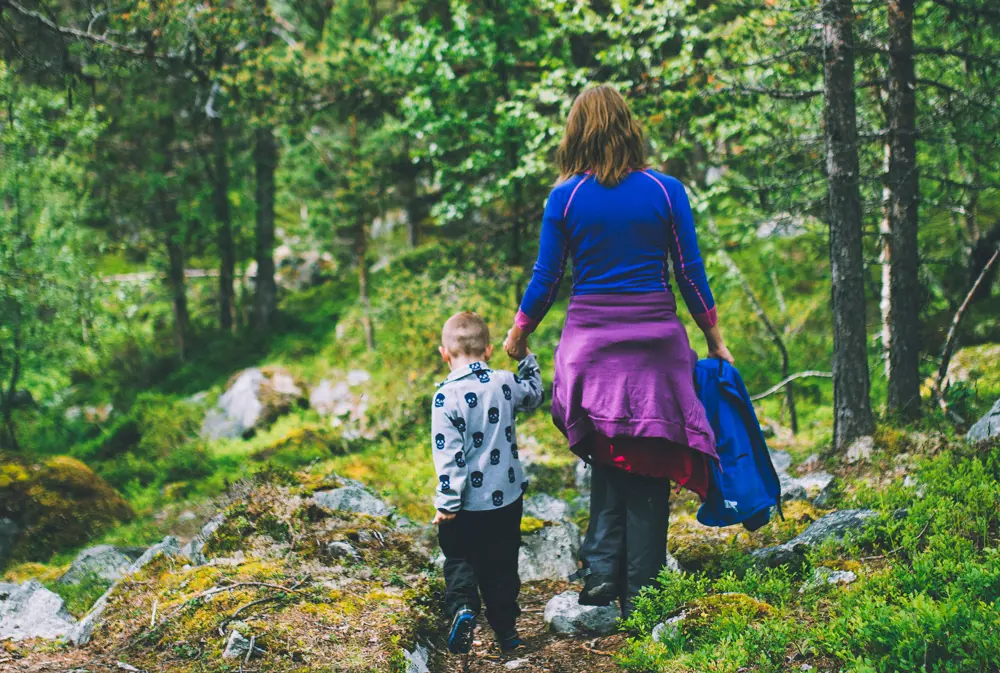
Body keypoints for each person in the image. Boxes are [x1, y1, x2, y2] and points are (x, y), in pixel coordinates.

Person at [503, 85, 734, 617]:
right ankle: (644, 592)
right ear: (629, 128)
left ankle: (602, 575)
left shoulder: (566, 197)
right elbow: (690, 274)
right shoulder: (667, 189)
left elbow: (547, 276)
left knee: (609, 453)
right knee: (649, 458)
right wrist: (714, 338)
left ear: (576, 133)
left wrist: (520, 331)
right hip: (655, 345)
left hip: (591, 348)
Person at [431, 311, 544, 654]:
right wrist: (525, 357)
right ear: (490, 350)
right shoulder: (505, 382)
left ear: (444, 353)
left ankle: (464, 607)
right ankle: (507, 632)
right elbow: (535, 394)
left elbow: (449, 457)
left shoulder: (445, 397)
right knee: (502, 564)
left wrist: (446, 505)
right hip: (507, 498)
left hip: (466, 504)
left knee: (459, 557)